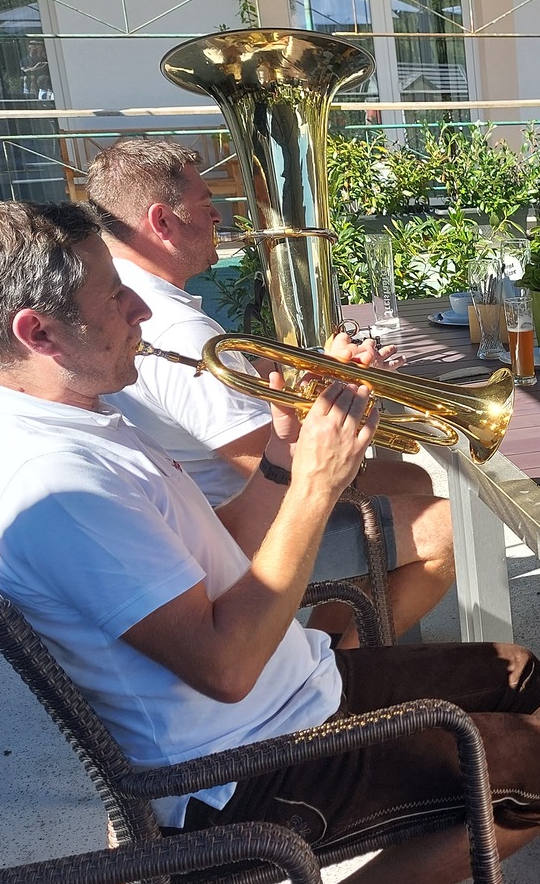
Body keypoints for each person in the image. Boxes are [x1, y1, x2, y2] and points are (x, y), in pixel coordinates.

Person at [0, 200, 540, 884]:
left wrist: (284, 456)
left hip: (284, 693)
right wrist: (318, 486)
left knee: (518, 675)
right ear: (37, 332)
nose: (140, 307)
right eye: (114, 295)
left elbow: (216, 551)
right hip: (238, 767)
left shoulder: (67, 419)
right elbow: (226, 668)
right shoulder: (53, 483)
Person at [86, 139, 454, 643]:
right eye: (204, 203)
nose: (218, 216)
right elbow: (276, 465)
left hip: (205, 510)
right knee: (449, 529)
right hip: (240, 529)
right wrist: (343, 392)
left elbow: (215, 400)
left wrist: (317, 371)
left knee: (409, 479)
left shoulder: (129, 300)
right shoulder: (173, 326)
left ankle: (335, 638)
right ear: (162, 221)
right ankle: (343, 673)